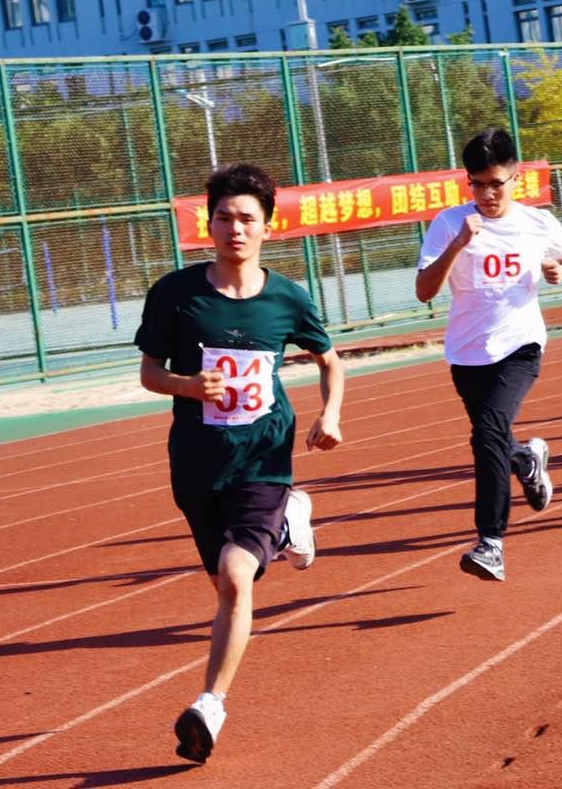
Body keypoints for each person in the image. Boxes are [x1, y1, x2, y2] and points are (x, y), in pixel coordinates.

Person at [136, 162, 345, 764]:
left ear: (267, 228)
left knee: (234, 577)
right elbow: (149, 373)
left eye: (247, 219)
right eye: (224, 217)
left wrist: (330, 415)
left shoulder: (287, 298)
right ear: (210, 223)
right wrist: (187, 386)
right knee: (224, 582)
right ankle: (290, 521)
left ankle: (211, 704)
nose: (235, 228)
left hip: (264, 457)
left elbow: (329, 360)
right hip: (198, 463)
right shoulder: (176, 295)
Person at [415, 129, 562, 582]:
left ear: (515, 178)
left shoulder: (537, 222)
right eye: (478, 185)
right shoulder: (449, 223)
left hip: (520, 346)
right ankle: (525, 459)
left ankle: (490, 542)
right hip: (467, 353)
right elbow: (425, 290)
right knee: (494, 435)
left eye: (496, 184)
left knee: (486, 436)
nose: (487, 194)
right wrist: (457, 245)